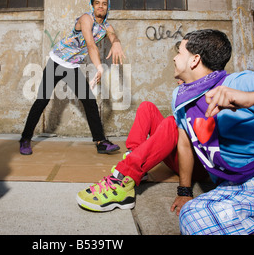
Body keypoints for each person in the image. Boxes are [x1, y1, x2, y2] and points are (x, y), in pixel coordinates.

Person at [170, 29, 254, 235]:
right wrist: (184, 191)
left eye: (179, 52)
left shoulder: (237, 83)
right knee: (192, 215)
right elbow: (185, 143)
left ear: (194, 60)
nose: (174, 57)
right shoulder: (179, 97)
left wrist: (250, 98)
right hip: (235, 187)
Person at [76, 80, 208, 212]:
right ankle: (134, 159)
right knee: (147, 107)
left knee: (171, 123)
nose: (175, 59)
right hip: (179, 154)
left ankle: (123, 177)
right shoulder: (185, 90)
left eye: (179, 57)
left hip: (195, 167)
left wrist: (185, 191)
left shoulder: (214, 92)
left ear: (195, 61)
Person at [20, 0, 126, 155]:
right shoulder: (86, 19)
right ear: (92, 5)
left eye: (104, 4)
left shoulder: (106, 26)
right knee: (42, 100)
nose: (101, 6)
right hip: (57, 62)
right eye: (97, 3)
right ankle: (25, 139)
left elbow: (112, 35)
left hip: (73, 67)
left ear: (108, 7)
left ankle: (101, 142)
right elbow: (90, 45)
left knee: (89, 102)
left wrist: (116, 42)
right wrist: (99, 67)